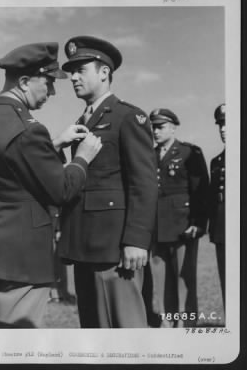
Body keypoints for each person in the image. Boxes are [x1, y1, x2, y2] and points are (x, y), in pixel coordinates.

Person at [0, 42, 102, 328]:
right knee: (16, 344)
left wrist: (54, 144)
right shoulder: (29, 129)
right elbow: (62, 189)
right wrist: (82, 158)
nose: (52, 92)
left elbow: (11, 171)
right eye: (49, 83)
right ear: (25, 82)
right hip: (23, 259)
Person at [58, 36, 158, 328]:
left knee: (125, 328)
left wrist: (136, 240)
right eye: (71, 71)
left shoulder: (128, 117)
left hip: (114, 249)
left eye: (81, 69)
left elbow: (144, 182)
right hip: (83, 245)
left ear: (104, 72)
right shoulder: (82, 121)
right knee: (94, 331)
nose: (73, 77)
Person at [149, 108, 209, 327]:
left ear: (174, 127)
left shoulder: (188, 152)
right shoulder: (150, 155)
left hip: (183, 227)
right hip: (157, 228)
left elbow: (200, 192)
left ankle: (186, 326)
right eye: (153, 126)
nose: (155, 131)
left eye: (160, 126)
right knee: (161, 280)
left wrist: (198, 223)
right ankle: (167, 324)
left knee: (184, 281)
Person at [209, 104, 225, 307]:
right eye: (220, 124)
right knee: (227, 282)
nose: (223, 129)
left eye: (228, 123)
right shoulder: (217, 162)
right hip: (223, 233)